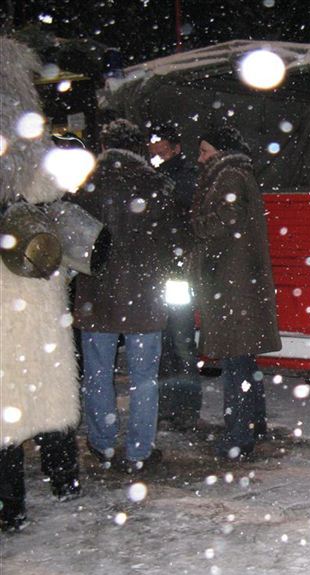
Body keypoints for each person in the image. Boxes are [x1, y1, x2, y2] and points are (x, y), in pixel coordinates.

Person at [0, 37, 82, 531]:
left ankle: (10, 506)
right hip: (36, 278)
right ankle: (64, 479)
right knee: (48, 388)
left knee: (6, 400)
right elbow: (56, 187)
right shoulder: (35, 146)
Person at [72, 118, 175, 473]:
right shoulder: (155, 184)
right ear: (138, 147)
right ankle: (139, 451)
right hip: (144, 295)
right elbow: (171, 240)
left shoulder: (88, 183)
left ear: (105, 146)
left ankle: (102, 444)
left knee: (97, 373)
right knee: (144, 377)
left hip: (96, 294)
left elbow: (72, 236)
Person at [191, 125, 281, 459]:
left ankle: (238, 436)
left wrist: (197, 225)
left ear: (221, 150)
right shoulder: (238, 174)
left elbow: (225, 219)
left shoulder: (227, 176)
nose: (200, 157)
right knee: (243, 360)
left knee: (235, 363)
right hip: (239, 285)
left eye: (204, 150)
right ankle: (253, 425)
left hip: (231, 287)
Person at [147, 122, 203, 432]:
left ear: (176, 148)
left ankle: (186, 408)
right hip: (161, 270)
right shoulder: (156, 176)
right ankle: (169, 406)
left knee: (180, 342)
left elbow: (183, 204)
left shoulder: (185, 175)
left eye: (163, 148)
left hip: (177, 271)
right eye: (154, 147)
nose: (157, 152)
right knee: (164, 344)